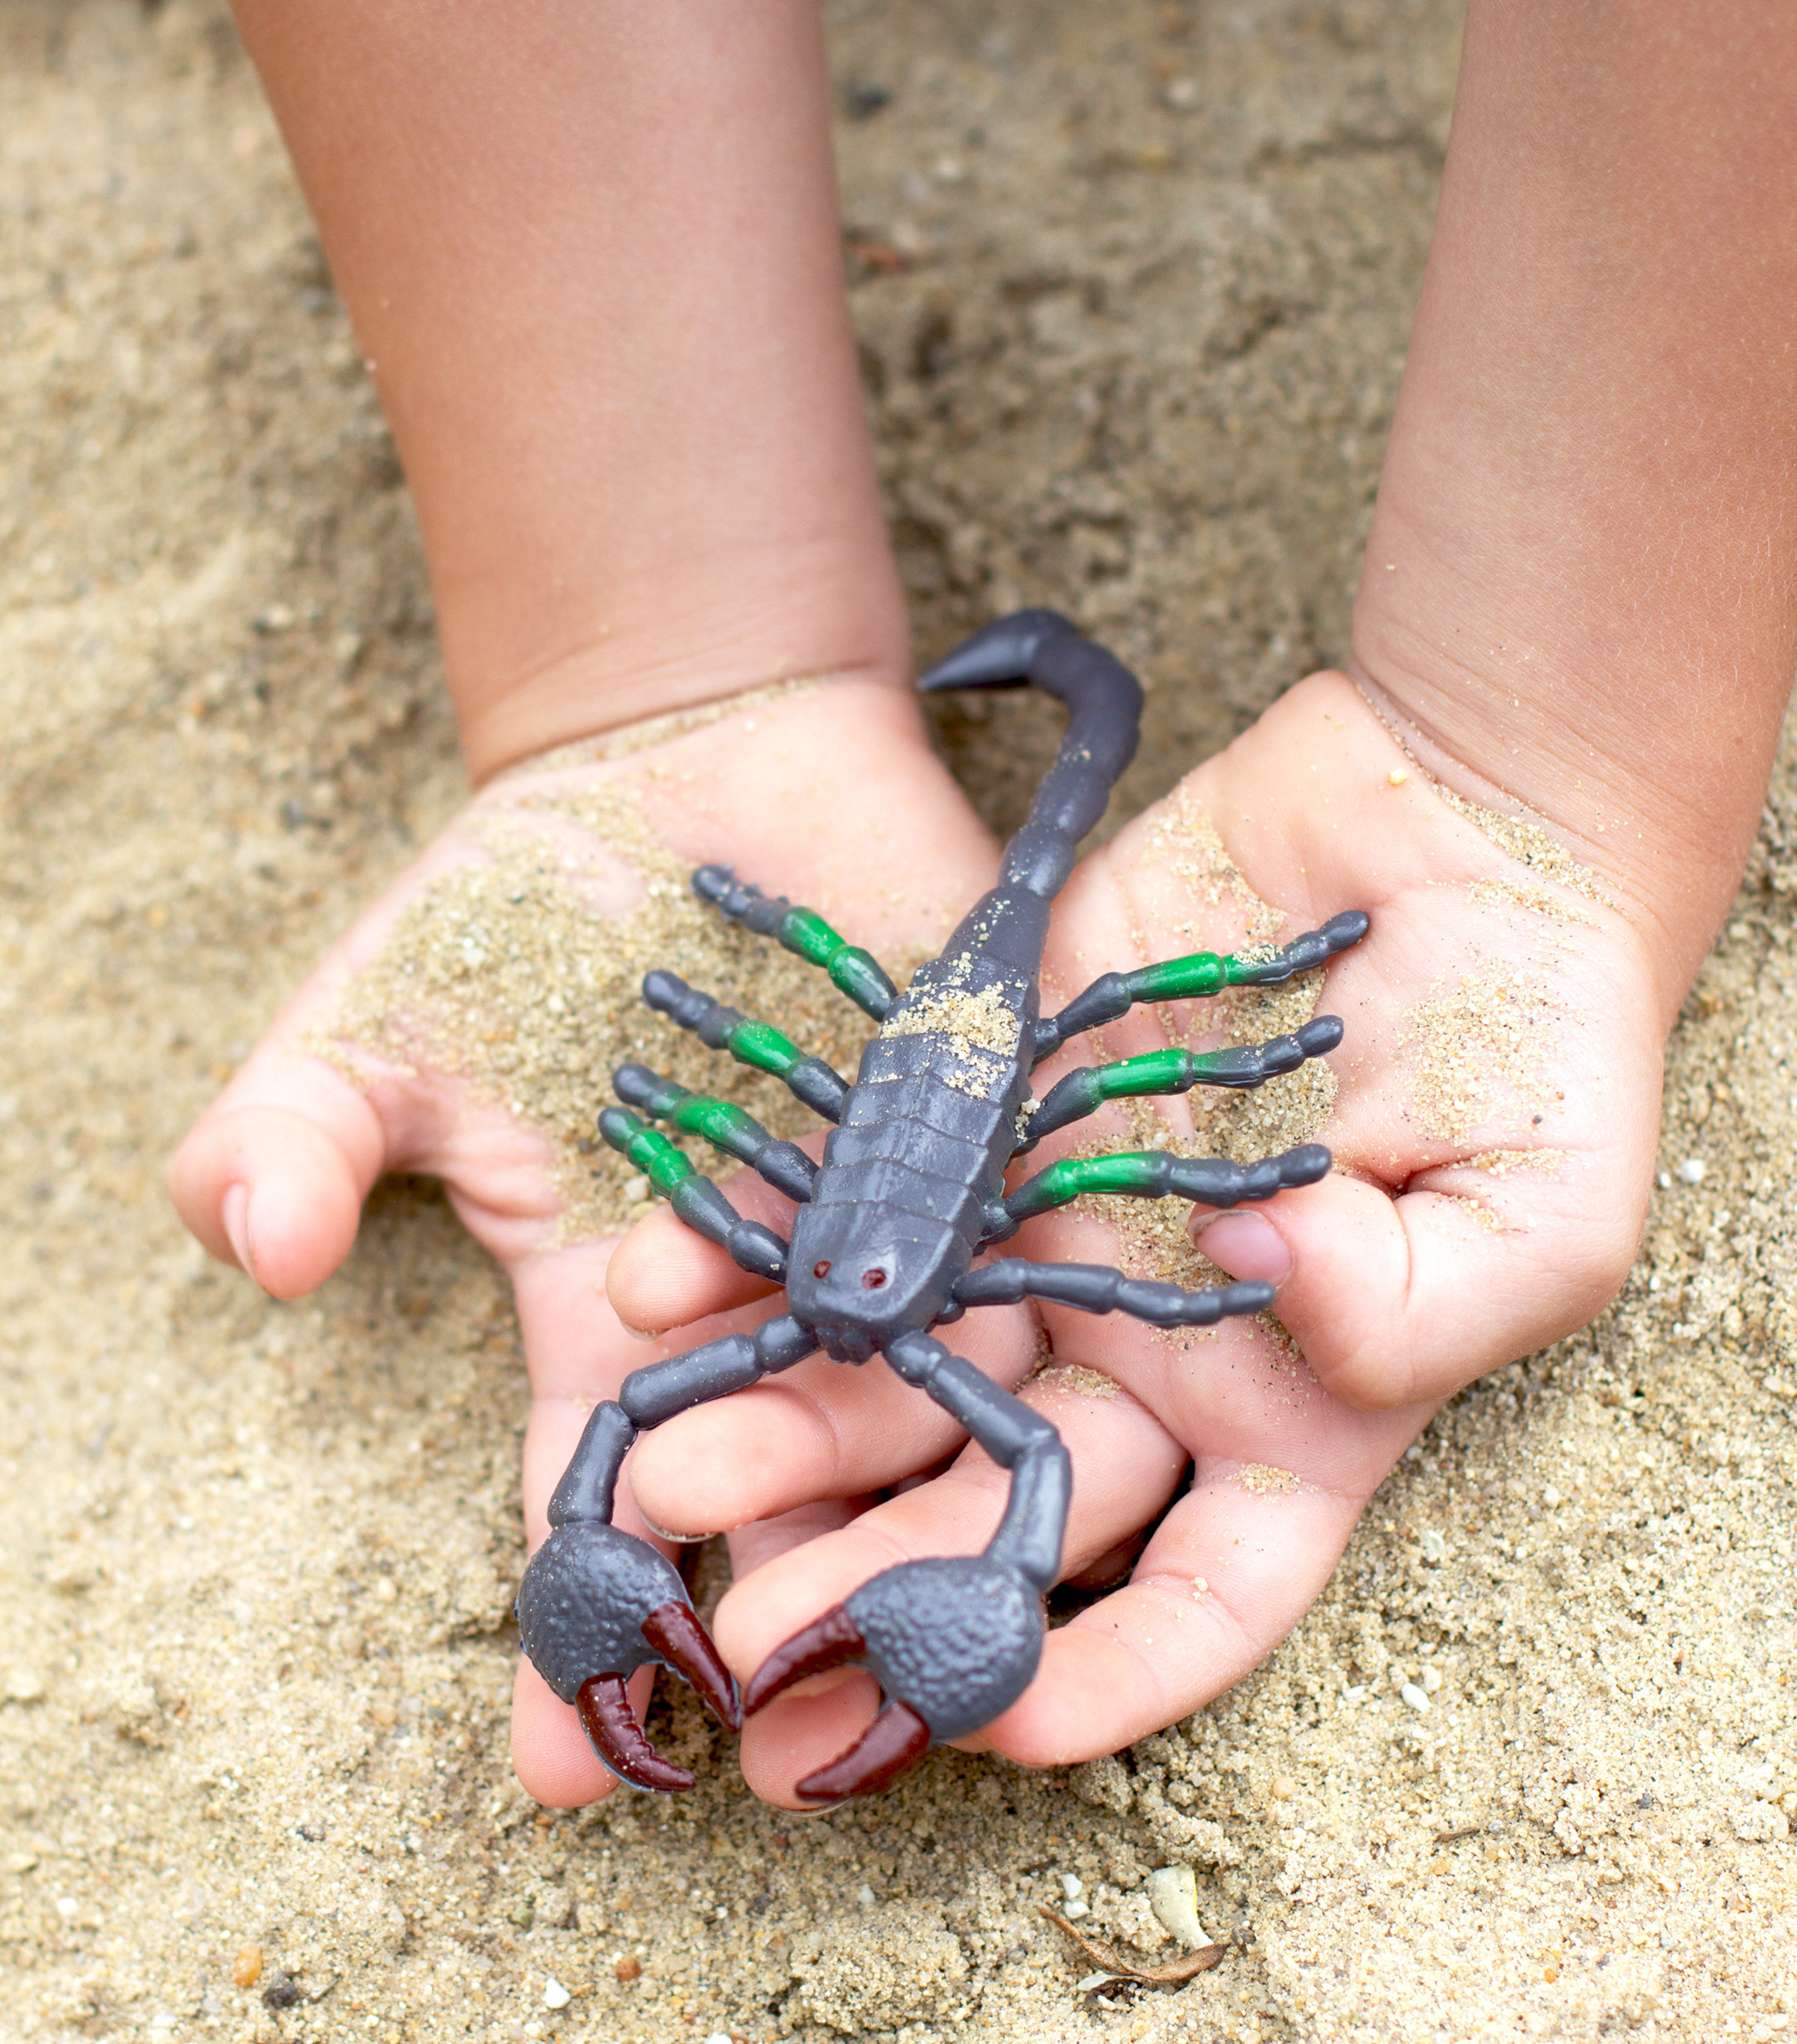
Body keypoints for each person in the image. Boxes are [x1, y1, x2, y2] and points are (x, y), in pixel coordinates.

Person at [171, 1, 1797, 1810]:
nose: (860, 1340)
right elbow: (730, 1194)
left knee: (1120, 1147)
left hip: (979, 1074)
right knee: (717, 1392)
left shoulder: (976, 1225)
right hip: (904, 1086)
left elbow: (1105, 1174)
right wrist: (638, 659)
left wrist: (1542, 760)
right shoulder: (852, 1297)